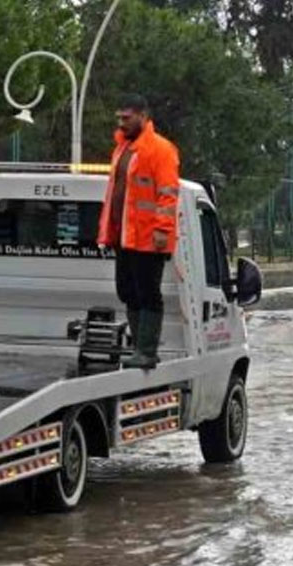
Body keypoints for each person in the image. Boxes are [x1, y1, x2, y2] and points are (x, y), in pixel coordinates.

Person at [97, 94, 180, 370]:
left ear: (143, 116)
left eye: (126, 118)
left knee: (147, 292)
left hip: (148, 238)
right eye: (119, 118)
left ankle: (146, 350)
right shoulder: (122, 149)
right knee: (127, 290)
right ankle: (138, 347)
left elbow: (168, 195)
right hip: (124, 235)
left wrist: (162, 231)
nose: (121, 123)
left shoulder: (161, 150)